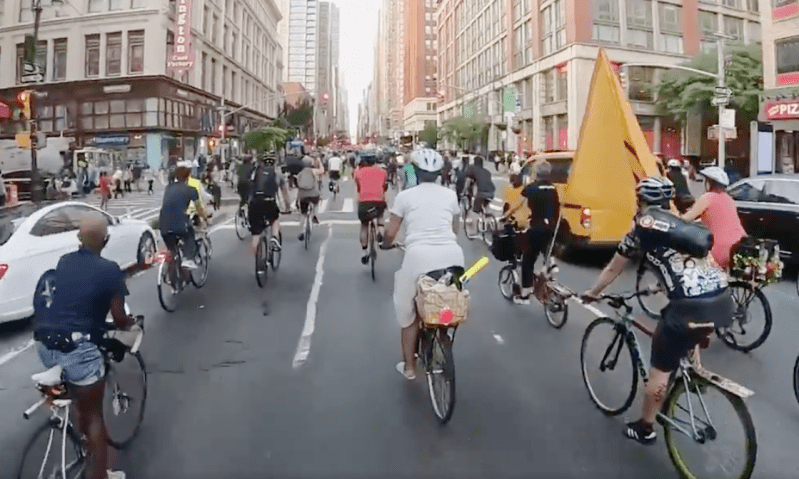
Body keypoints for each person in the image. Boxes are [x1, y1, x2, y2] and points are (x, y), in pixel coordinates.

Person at [582, 176, 733, 446]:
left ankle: (645, 427)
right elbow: (686, 267)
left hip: (689, 309)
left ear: (641, 202)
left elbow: (613, 268)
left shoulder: (642, 230)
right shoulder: (684, 227)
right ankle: (693, 371)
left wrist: (593, 293)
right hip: (722, 301)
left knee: (660, 368)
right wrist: (658, 287)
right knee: (683, 330)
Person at [34, 213, 133, 479]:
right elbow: (120, 318)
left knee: (80, 403)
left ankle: (83, 447)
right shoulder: (110, 269)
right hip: (79, 349)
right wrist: (129, 324)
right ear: (106, 239)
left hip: (46, 345)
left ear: (79, 237)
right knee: (94, 417)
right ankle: (101, 475)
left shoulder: (64, 262)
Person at [381, 149, 464, 380]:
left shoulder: (405, 196)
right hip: (453, 255)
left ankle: (409, 368)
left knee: (407, 313)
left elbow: (391, 231)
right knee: (447, 299)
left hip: (418, 256)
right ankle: (443, 333)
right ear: (439, 173)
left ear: (415, 171)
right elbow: (454, 228)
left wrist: (386, 243)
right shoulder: (450, 195)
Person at [681, 166, 746, 270]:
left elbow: (686, 218)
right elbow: (717, 219)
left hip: (718, 248)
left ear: (709, 182)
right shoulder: (729, 199)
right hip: (738, 244)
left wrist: (672, 216)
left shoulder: (707, 197)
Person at [514, 162, 560, 304]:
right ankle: (551, 262)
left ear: (536, 173)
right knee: (546, 243)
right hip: (552, 226)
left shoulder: (531, 188)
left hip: (537, 226)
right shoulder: (553, 188)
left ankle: (525, 295)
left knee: (528, 260)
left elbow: (518, 205)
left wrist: (506, 217)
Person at [160, 165, 207, 270]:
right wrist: (205, 218)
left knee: (172, 251)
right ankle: (188, 259)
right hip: (180, 225)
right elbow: (199, 208)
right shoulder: (191, 190)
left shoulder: (168, 188)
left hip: (163, 225)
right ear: (188, 177)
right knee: (189, 235)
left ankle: (171, 276)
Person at [248, 153, 291, 256]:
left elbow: (250, 189)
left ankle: (258, 261)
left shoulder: (255, 172)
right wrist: (287, 206)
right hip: (269, 201)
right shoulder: (277, 173)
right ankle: (274, 237)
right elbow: (285, 192)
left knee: (256, 233)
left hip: (255, 203)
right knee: (274, 219)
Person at [354, 152, 388, 264]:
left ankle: (364, 252)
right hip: (378, 201)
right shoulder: (382, 172)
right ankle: (380, 231)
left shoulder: (358, 172)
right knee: (380, 215)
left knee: (364, 225)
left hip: (364, 202)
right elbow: (384, 187)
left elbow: (359, 188)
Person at [297, 156, 323, 240]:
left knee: (303, 214)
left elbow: (297, 184)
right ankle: (314, 214)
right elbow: (322, 171)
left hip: (303, 196)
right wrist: (319, 162)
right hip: (313, 195)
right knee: (316, 202)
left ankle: (302, 230)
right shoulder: (313, 171)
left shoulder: (300, 173)